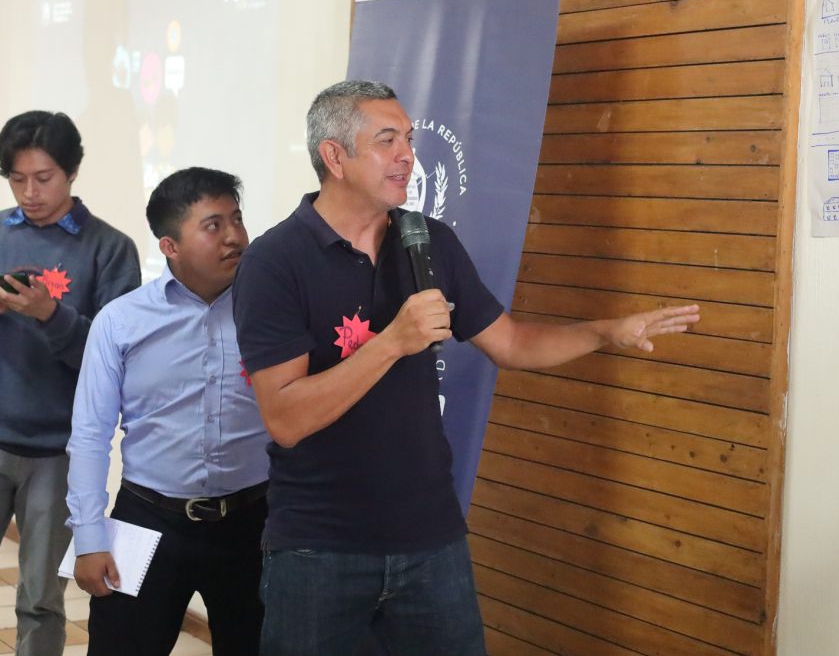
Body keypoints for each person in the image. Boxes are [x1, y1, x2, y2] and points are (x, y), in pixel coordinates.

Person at [232, 80, 700, 656]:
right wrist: (391, 342)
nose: (407, 155)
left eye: (409, 139)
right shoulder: (275, 262)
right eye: (386, 140)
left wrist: (607, 332)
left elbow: (512, 344)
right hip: (319, 546)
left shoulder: (428, 241)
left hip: (431, 539)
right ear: (334, 156)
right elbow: (286, 418)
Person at [66, 167, 270, 656]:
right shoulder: (121, 322)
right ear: (169, 246)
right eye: (213, 225)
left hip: (253, 523)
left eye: (237, 219)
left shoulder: (270, 313)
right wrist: (90, 537)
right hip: (148, 519)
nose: (234, 236)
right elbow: (91, 435)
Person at [0, 110, 140, 656]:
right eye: (17, 179)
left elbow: (115, 364)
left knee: (40, 598)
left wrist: (49, 314)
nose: (29, 193)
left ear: (73, 171)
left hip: (58, 452)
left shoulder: (109, 249)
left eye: (43, 178)